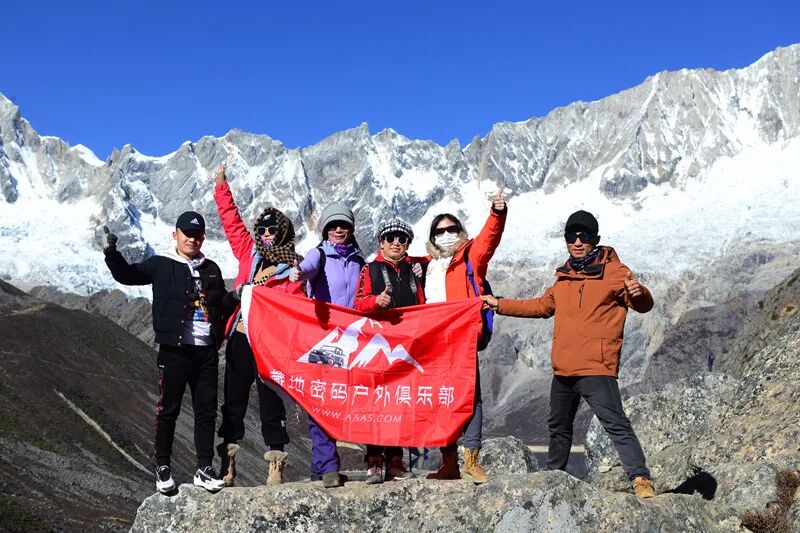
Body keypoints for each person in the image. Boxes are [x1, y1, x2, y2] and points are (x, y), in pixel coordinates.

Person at [481, 210, 657, 499]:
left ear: (595, 239)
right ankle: (553, 479)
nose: (577, 242)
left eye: (584, 236)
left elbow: (643, 304)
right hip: (563, 370)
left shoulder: (615, 272)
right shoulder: (564, 277)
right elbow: (541, 306)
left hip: (596, 367)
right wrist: (499, 304)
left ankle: (640, 479)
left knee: (616, 424)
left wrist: (638, 293)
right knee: (558, 427)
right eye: (571, 236)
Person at [103, 212, 227, 494]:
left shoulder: (212, 269)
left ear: (203, 238)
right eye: (187, 234)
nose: (192, 239)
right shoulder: (161, 264)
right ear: (175, 235)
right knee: (168, 410)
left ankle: (204, 468)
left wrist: (241, 295)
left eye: (197, 235)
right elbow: (127, 275)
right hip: (175, 351)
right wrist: (112, 253)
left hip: (206, 352)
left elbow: (222, 304)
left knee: (206, 412)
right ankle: (162, 467)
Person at [213, 164, 305, 486]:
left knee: (271, 402)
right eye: (262, 229)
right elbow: (232, 224)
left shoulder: (294, 269)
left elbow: (296, 310)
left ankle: (275, 464)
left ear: (282, 232)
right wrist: (221, 188)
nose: (265, 234)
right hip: (240, 336)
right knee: (233, 400)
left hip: (271, 344)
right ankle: (227, 462)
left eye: (271, 230)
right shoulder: (248, 253)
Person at [424, 189, 507, 484]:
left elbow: (489, 239)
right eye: (440, 231)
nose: (446, 235)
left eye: (451, 229)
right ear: (432, 237)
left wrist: (497, 213)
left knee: (470, 398)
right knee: (441, 400)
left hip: (462, 337)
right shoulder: (427, 265)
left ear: (460, 232)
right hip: (433, 342)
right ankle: (448, 462)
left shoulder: (471, 256)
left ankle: (472, 460)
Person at [289, 202, 366, 488]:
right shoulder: (319, 254)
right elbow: (307, 268)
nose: (338, 229)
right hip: (323, 340)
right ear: (325, 229)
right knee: (321, 400)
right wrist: (299, 272)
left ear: (351, 229)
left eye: (343, 225)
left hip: (354, 340)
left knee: (347, 400)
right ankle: (329, 465)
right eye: (333, 225)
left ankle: (319, 466)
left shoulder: (360, 261)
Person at [354, 218, 423, 484]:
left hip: (405, 348)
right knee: (375, 404)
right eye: (390, 237)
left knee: (400, 404)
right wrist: (376, 301)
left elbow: (422, 306)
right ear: (381, 242)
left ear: (408, 244)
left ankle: (395, 461)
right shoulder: (369, 269)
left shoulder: (413, 272)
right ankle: (374, 461)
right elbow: (358, 303)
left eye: (402, 239)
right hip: (377, 348)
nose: (396, 242)